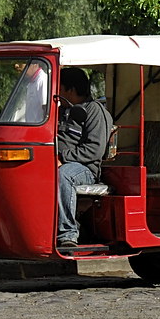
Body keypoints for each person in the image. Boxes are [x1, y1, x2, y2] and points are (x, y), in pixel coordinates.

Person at [55, 67, 112, 248]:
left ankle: (67, 233)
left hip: (85, 168)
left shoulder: (94, 111)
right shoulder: (63, 111)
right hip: (57, 161)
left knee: (63, 175)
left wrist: (62, 157)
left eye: (60, 89)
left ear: (70, 90)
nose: (56, 94)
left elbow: (94, 150)